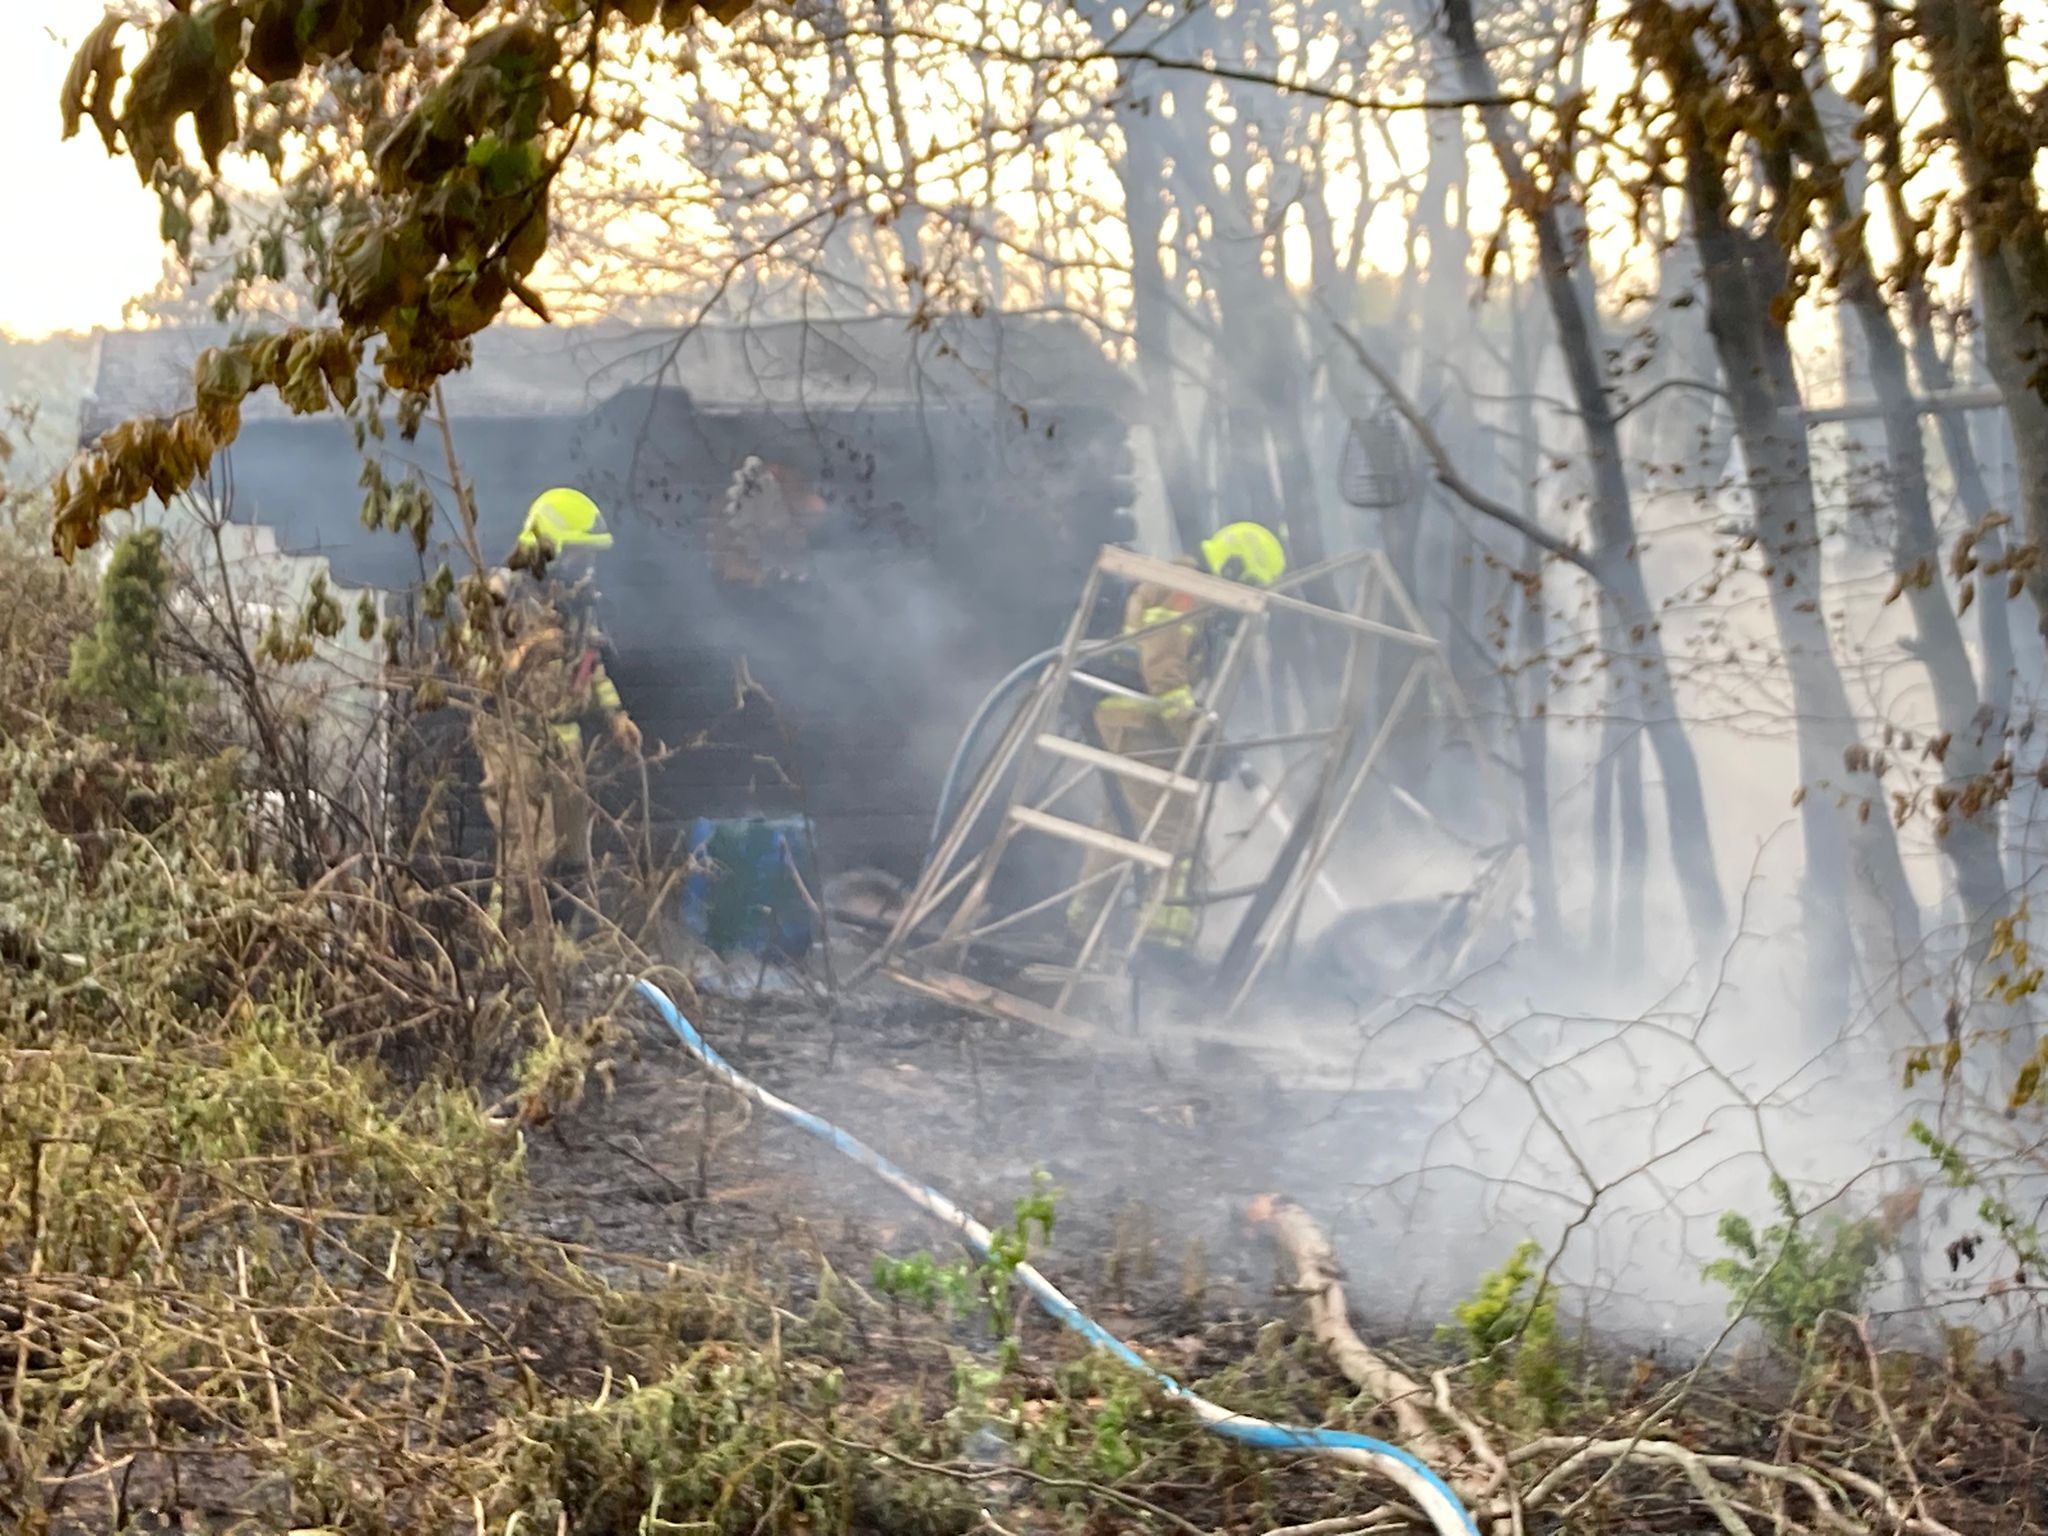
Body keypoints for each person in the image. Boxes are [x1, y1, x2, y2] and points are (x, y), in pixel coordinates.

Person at [1066, 521, 1287, 950]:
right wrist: (1199, 739)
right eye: (1250, 587)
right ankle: (1163, 947)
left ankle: (1081, 926)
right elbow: (1165, 674)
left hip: (1127, 717)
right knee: (1177, 832)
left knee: (1121, 823)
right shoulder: (1186, 590)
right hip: (1136, 719)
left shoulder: (1186, 587)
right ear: (1234, 569)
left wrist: (1205, 736)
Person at [472, 487, 642, 939]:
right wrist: (527, 651)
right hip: (513, 738)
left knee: (571, 853)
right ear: (550, 548)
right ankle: (505, 947)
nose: (587, 564)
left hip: (564, 737)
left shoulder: (579, 600)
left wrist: (616, 715)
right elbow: (476, 674)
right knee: (527, 848)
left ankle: (562, 947)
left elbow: (590, 663)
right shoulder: (499, 597)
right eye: (580, 552)